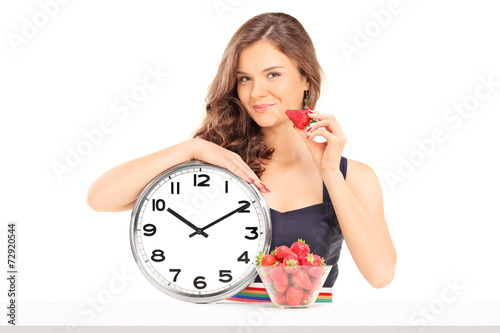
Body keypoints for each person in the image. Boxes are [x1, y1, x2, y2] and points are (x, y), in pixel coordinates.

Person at [87, 12, 396, 303]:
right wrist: (190, 150)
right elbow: (100, 199)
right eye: (244, 78)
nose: (256, 92)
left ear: (306, 78)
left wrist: (329, 170)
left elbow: (380, 275)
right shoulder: (218, 163)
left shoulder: (353, 176)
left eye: (272, 74)